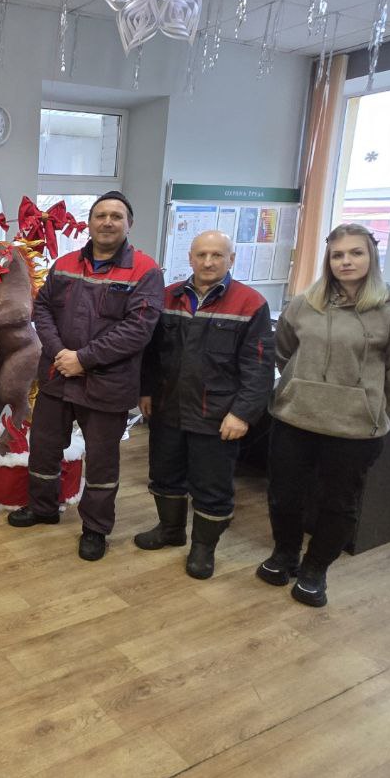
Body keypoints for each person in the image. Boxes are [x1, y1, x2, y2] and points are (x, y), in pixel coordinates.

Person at [258, 223, 390, 607]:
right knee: (285, 495)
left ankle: (315, 569)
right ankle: (284, 555)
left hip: (353, 428)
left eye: (356, 253)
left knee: (338, 503)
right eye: (338, 255)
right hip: (295, 418)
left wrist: (371, 404)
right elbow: (284, 351)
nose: (346, 261)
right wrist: (300, 384)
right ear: (328, 260)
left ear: (372, 257)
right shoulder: (305, 304)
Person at [10, 190, 164, 562]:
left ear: (129, 224)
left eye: (116, 216)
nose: (107, 222)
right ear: (90, 222)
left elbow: (137, 329)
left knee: (101, 461)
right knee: (44, 448)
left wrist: (83, 359)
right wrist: (60, 353)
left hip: (107, 384)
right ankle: (43, 508)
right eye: (100, 215)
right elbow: (42, 309)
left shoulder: (146, 271)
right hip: (57, 377)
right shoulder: (64, 264)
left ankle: (95, 528)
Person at [136, 230, 274, 579]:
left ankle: (203, 548)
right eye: (201, 255)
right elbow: (151, 353)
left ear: (231, 259)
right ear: (190, 258)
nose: (208, 262)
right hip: (167, 407)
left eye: (217, 255)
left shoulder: (250, 303)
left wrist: (242, 413)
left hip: (217, 415)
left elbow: (259, 367)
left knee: (212, 487)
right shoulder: (167, 296)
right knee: (164, 474)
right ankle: (170, 531)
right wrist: (146, 391)